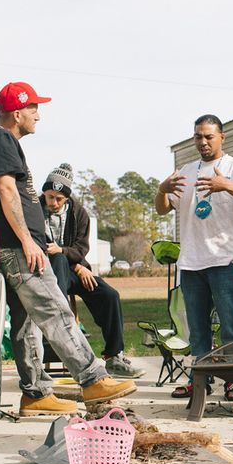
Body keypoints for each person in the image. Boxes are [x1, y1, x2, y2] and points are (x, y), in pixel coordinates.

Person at [0, 81, 137, 417]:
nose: (38, 116)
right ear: (17, 112)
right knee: (54, 310)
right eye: (33, 108)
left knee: (26, 322)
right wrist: (28, 240)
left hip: (13, 246)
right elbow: (6, 191)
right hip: (19, 247)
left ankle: (35, 394)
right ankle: (92, 378)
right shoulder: (0, 138)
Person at [155, 114, 233, 401]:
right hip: (192, 261)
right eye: (198, 137)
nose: (202, 142)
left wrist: (225, 185)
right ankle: (199, 380)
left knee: (231, 325)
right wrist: (162, 190)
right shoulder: (187, 171)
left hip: (224, 259)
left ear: (222, 137)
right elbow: (163, 209)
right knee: (197, 329)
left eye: (208, 136)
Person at [40, 162, 146, 379]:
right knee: (58, 259)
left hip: (73, 269)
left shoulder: (79, 213)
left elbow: (81, 248)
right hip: (45, 271)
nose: (53, 202)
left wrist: (77, 265)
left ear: (67, 198)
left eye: (59, 199)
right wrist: (65, 256)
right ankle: (62, 330)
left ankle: (114, 356)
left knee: (109, 295)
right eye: (50, 196)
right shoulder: (34, 209)